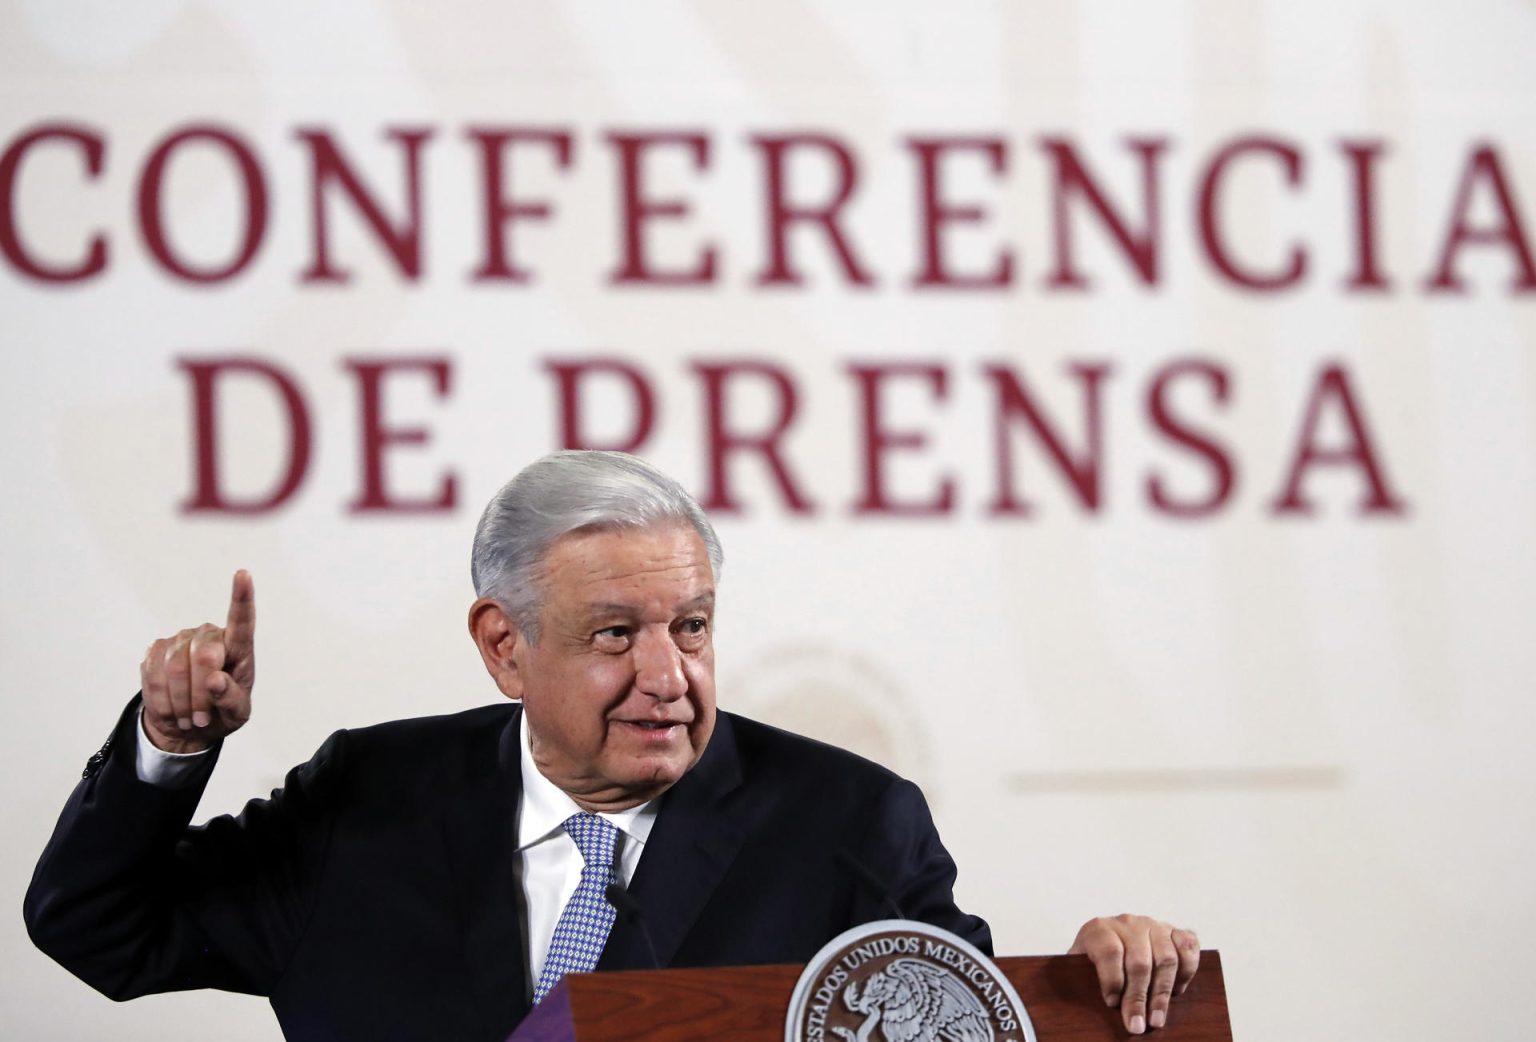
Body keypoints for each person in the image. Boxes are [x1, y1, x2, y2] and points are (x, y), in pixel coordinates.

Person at [25, 450, 1199, 1041]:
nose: (667, 675)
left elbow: (961, 1021)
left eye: (691, 627)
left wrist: (1099, 982)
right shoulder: (366, 799)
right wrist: (169, 748)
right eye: (614, 635)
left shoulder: (844, 824)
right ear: (503, 646)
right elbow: (102, 929)